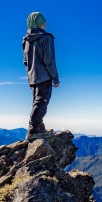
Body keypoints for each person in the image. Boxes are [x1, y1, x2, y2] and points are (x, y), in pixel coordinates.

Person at [23, 12, 60, 140]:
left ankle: (39, 127)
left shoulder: (26, 40)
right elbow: (49, 60)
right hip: (44, 76)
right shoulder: (46, 38)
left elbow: (26, 62)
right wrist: (55, 78)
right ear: (42, 23)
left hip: (33, 77)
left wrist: (30, 79)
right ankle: (33, 129)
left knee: (37, 102)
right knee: (42, 102)